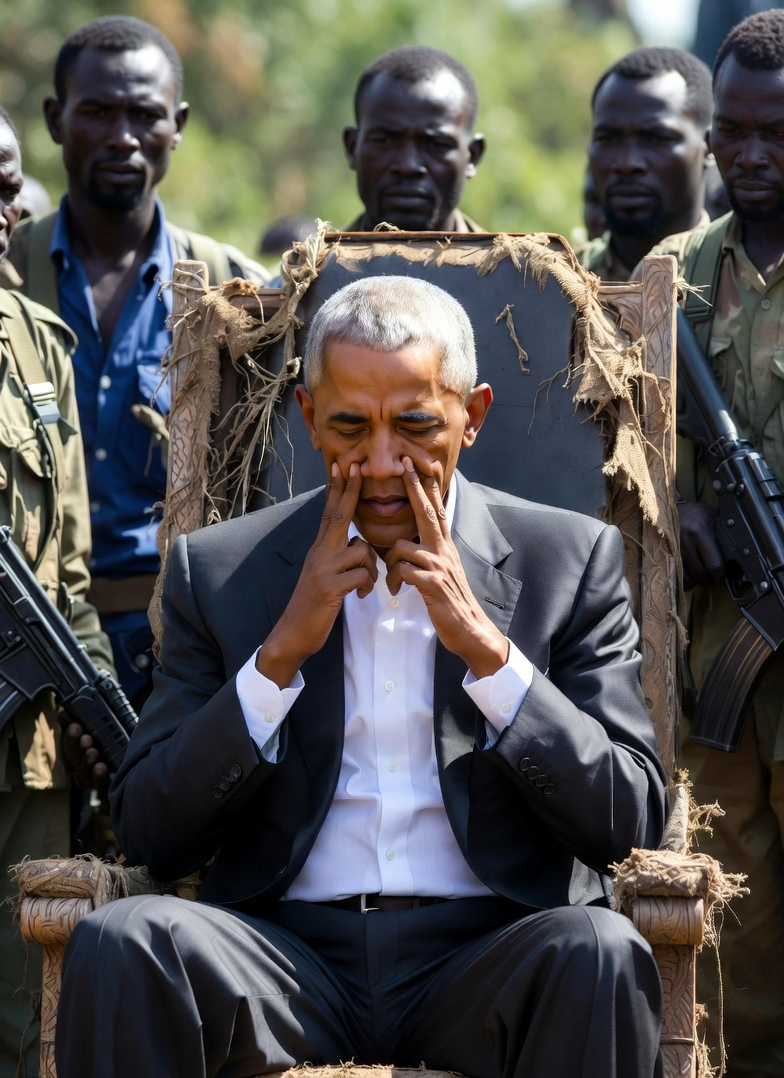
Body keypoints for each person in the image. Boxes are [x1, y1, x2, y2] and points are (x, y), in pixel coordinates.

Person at [55, 275, 667, 1078]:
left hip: (488, 953)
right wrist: (278, 658)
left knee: (601, 948)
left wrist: (488, 652)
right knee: (120, 939)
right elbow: (150, 833)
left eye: (415, 425)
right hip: (287, 959)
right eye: (350, 427)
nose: (381, 464)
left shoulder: (568, 560)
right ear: (309, 418)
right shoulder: (222, 571)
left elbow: (631, 820)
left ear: (471, 416)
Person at [0, 16, 269, 709]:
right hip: (24, 632)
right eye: (98, 112)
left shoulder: (231, 289)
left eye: (145, 114)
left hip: (183, 640)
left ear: (177, 125)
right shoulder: (8, 275)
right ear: (57, 120)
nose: (123, 136)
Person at [651, 10, 784, 1074]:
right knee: (733, 948)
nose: (746, 155)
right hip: (718, 679)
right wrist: (676, 505)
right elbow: (619, 442)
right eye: (728, 132)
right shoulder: (677, 275)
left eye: (772, 134)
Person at [0, 107, 114, 1078]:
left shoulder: (41, 346)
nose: (5, 209)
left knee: (26, 1027)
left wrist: (101, 711)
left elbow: (68, 573)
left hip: (27, 766)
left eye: (9, 186)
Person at [578, 46, 713, 282]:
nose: (627, 163)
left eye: (657, 139)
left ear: (709, 147)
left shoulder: (749, 285)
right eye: (607, 139)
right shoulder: (552, 283)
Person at [343, 46, 486, 232]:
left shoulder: (516, 261)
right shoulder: (310, 261)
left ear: (472, 156)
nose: (408, 167)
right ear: (352, 148)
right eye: (385, 142)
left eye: (436, 144)